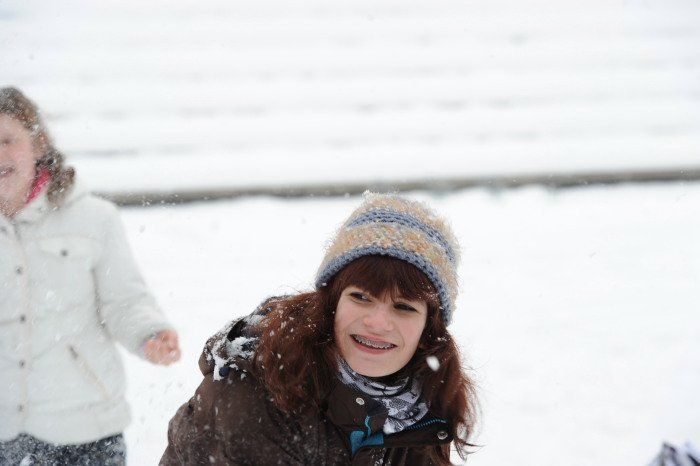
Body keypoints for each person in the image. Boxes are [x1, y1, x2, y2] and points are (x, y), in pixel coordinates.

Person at [161, 193, 478, 465]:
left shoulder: (421, 403)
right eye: (361, 297)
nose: (378, 323)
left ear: (428, 329)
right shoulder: (257, 394)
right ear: (331, 304)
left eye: (404, 307)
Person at [0, 87, 181, 465]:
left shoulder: (93, 218)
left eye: (7, 140)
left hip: (85, 430)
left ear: (38, 143)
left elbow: (124, 300)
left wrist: (149, 333)